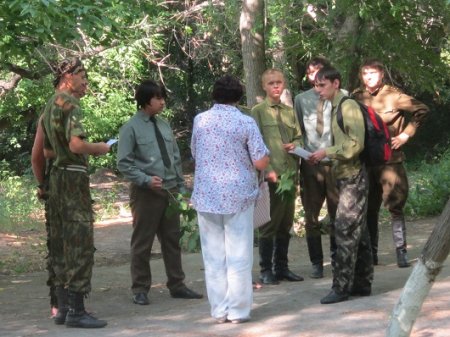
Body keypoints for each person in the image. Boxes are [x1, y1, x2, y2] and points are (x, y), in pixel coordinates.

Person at [191, 75, 269, 324]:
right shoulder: (245, 122)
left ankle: (219, 310)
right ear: (238, 97)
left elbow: (195, 152)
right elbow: (260, 161)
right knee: (239, 255)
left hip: (207, 195)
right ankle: (238, 311)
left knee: (213, 257)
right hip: (239, 195)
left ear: (214, 95)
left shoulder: (200, 120)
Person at [117, 79, 203, 306]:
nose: (163, 102)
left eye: (163, 97)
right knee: (142, 242)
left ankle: (177, 284)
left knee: (172, 239)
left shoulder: (164, 125)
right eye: (158, 98)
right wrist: (145, 180)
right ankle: (140, 289)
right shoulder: (130, 128)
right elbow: (124, 163)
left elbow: (174, 157)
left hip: (170, 190)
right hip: (146, 193)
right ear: (146, 100)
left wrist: (181, 188)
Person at [41, 58, 109, 328]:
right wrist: (100, 148)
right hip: (72, 178)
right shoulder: (70, 103)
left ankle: (62, 309)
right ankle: (77, 311)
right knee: (79, 241)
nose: (85, 81)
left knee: (59, 242)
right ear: (68, 76)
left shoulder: (49, 105)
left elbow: (47, 151)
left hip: (55, 178)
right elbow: (77, 145)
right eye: (82, 75)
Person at [352, 59, 429, 267]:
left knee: (395, 206)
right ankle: (372, 254)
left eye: (373, 73)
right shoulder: (357, 96)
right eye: (365, 73)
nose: (369, 77)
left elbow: (421, 109)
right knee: (369, 208)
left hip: (390, 160)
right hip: (366, 161)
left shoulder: (393, 95)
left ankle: (401, 252)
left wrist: (405, 135)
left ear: (381, 75)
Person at [309, 66, 373, 304]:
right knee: (359, 232)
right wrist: (323, 155)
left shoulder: (348, 106)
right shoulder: (335, 107)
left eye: (322, 85)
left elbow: (356, 145)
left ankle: (341, 287)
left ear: (336, 83)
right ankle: (362, 284)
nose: (318, 90)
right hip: (345, 176)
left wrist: (328, 150)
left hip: (354, 176)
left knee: (344, 231)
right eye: (316, 85)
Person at [251, 68, 304, 285]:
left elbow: (299, 137)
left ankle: (282, 267)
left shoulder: (290, 112)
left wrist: (296, 145)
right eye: (271, 83)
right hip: (271, 177)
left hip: (289, 175)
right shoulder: (258, 111)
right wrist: (268, 169)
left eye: (279, 82)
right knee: (268, 224)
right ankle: (266, 269)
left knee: (285, 223)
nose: (276, 86)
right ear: (264, 86)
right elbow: (255, 143)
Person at [294, 57, 339, 279]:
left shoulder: (340, 97)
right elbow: (299, 131)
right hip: (311, 165)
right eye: (311, 72)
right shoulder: (301, 99)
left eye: (319, 71)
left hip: (335, 164)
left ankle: (337, 257)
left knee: (336, 214)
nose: (315, 75)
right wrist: (303, 155)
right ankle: (316, 263)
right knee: (311, 217)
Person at [31, 115, 58, 317]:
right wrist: (42, 185)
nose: (85, 85)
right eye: (82, 80)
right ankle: (61, 305)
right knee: (60, 247)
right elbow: (39, 155)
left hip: (64, 190)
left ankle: (63, 305)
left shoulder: (69, 110)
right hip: (58, 190)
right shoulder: (51, 114)